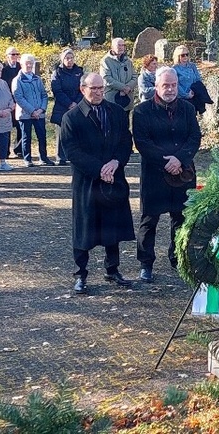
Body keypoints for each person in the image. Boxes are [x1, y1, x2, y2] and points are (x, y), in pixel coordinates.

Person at [61, 72, 135, 295]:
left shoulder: (116, 112)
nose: (98, 92)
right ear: (82, 89)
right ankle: (80, 274)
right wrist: (99, 170)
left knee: (112, 225)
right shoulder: (71, 118)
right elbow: (72, 152)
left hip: (113, 176)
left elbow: (125, 141)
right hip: (87, 182)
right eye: (93, 88)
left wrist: (115, 163)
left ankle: (112, 269)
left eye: (101, 88)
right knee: (84, 229)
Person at [132, 66, 202, 282]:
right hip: (155, 174)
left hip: (183, 173)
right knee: (149, 220)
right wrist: (167, 162)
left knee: (181, 219)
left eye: (173, 85)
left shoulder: (188, 109)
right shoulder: (142, 111)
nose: (170, 89)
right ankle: (146, 263)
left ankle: (177, 258)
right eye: (166, 85)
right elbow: (142, 143)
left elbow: (194, 138)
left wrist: (179, 159)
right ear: (156, 85)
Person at [13, 53, 55, 167]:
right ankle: (27, 159)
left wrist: (41, 109)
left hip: (39, 113)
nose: (29, 65)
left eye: (31, 63)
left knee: (42, 136)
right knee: (26, 137)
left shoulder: (37, 79)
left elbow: (44, 95)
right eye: (27, 63)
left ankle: (44, 158)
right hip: (25, 114)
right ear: (21, 64)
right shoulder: (17, 80)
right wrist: (32, 111)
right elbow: (19, 98)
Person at [49, 48, 84, 166]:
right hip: (62, 106)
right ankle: (61, 157)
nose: (69, 60)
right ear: (62, 60)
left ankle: (75, 155)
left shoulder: (79, 71)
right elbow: (57, 91)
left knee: (77, 132)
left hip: (78, 105)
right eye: (67, 58)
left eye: (71, 58)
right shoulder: (57, 73)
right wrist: (69, 103)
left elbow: (83, 88)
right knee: (61, 132)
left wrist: (77, 102)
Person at [172, 45, 213, 114]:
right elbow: (176, 84)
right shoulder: (174, 69)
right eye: (182, 55)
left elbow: (198, 78)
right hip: (183, 97)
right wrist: (186, 95)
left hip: (194, 94)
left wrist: (193, 90)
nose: (185, 57)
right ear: (178, 56)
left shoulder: (192, 66)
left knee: (194, 117)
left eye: (187, 54)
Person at [101, 37, 137, 112]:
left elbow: (134, 76)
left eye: (123, 45)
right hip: (112, 99)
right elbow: (106, 78)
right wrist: (123, 87)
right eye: (119, 45)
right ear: (112, 47)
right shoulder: (105, 61)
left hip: (127, 99)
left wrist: (128, 87)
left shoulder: (128, 61)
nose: (121, 47)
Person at [1, 46, 23, 157]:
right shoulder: (2, 69)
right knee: (7, 127)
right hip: (7, 102)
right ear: (7, 56)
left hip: (19, 102)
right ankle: (5, 151)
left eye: (16, 54)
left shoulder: (21, 67)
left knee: (20, 126)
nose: (14, 56)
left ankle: (19, 150)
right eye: (12, 54)